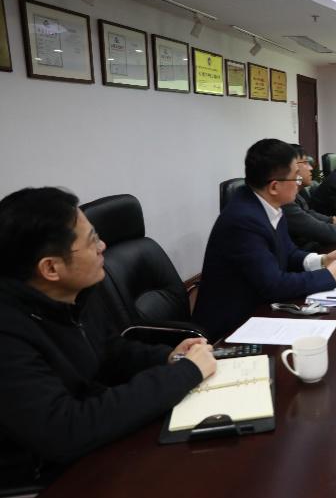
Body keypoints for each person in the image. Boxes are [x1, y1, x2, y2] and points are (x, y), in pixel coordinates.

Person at [0, 187, 216, 485]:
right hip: (43, 477)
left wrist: (169, 357)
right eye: (91, 241)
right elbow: (65, 430)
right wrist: (184, 373)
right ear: (50, 268)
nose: (103, 246)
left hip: (99, 443)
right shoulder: (8, 333)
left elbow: (110, 351)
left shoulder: (75, 293)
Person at [193, 139, 336, 338]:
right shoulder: (243, 221)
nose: (299, 182)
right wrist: (329, 276)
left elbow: (289, 253)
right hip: (231, 327)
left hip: (260, 309)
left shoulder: (269, 206)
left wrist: (322, 260)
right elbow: (274, 285)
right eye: (295, 177)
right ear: (274, 187)